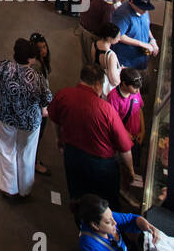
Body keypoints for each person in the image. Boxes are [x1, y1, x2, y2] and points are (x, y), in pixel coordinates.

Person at [46, 64, 140, 209]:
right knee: (107, 202)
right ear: (97, 84)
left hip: (72, 156)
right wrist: (130, 170)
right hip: (101, 165)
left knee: (78, 195)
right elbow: (124, 147)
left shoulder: (63, 95)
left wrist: (59, 139)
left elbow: (54, 119)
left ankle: (82, 224)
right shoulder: (106, 109)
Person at [0, 38, 52, 200]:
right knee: (26, 154)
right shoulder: (36, 77)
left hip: (6, 117)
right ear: (31, 58)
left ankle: (10, 189)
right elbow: (47, 99)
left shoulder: (4, 67)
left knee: (7, 150)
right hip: (30, 122)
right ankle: (25, 189)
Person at [112, 0, 158, 72]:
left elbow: (146, 26)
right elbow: (118, 36)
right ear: (131, 2)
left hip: (141, 58)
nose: (145, 11)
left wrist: (152, 39)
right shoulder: (123, 14)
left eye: (146, 8)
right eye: (142, 8)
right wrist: (141, 43)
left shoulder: (144, 11)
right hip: (127, 60)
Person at [29, 32, 53, 175]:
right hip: (38, 108)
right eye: (40, 48)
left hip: (40, 106)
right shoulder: (36, 66)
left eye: (45, 47)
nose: (44, 50)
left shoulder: (41, 63)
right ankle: (33, 162)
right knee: (36, 136)